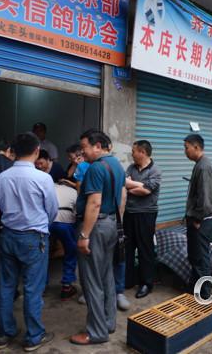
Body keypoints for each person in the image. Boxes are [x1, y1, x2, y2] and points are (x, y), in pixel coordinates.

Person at [0, 132, 58, 351]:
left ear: (13, 151)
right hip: (33, 237)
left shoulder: (2, 177)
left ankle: (4, 334)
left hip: (8, 234)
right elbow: (52, 210)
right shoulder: (43, 178)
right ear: (37, 150)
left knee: (6, 285)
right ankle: (34, 336)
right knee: (33, 287)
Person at [69, 130, 126, 346]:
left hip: (96, 226)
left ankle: (96, 332)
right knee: (106, 275)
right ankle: (108, 322)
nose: (81, 152)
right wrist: (117, 222)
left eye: (84, 147)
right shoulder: (117, 165)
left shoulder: (95, 169)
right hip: (111, 224)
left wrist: (84, 235)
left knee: (91, 280)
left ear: (98, 146)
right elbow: (122, 196)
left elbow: (94, 203)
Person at [124, 140, 162, 299]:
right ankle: (128, 279)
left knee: (145, 248)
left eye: (134, 151)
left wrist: (131, 186)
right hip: (129, 213)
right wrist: (138, 185)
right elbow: (124, 183)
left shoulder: (155, 170)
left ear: (142, 152)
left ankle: (146, 283)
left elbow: (146, 191)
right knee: (127, 247)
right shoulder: (131, 168)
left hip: (146, 214)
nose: (132, 154)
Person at [183, 134, 212, 300]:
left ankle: (204, 293)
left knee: (200, 256)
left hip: (200, 220)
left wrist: (197, 219)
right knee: (196, 255)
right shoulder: (201, 164)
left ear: (196, 147)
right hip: (199, 219)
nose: (185, 151)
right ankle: (196, 287)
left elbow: (205, 197)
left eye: (186, 147)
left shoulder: (203, 166)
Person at [50, 182, 79, 300]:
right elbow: (77, 213)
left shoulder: (49, 187)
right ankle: (66, 287)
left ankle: (40, 287)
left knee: (43, 255)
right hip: (66, 224)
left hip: (47, 222)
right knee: (71, 252)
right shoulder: (73, 191)